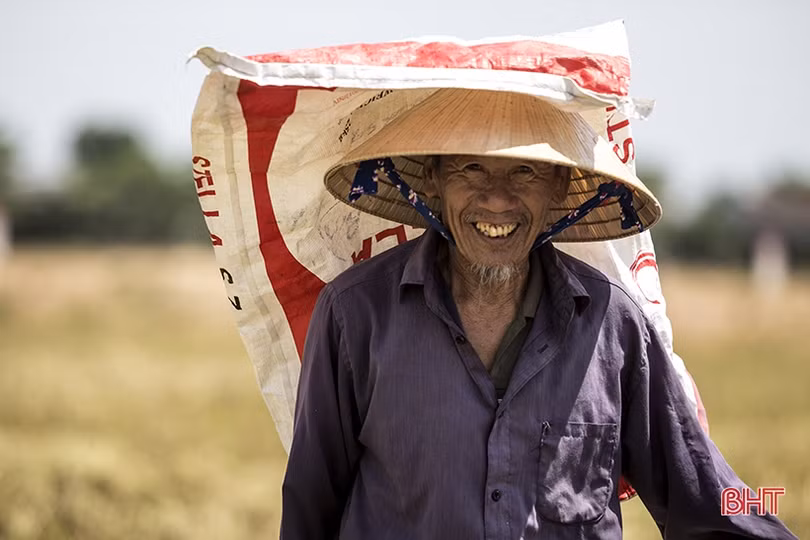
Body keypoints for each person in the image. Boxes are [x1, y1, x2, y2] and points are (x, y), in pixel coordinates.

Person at [280, 89, 796, 539]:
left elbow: (709, 496)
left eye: (525, 170)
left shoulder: (612, 325)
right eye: (471, 166)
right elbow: (310, 507)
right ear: (434, 181)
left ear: (557, 191)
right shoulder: (356, 314)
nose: (497, 199)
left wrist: (772, 506)